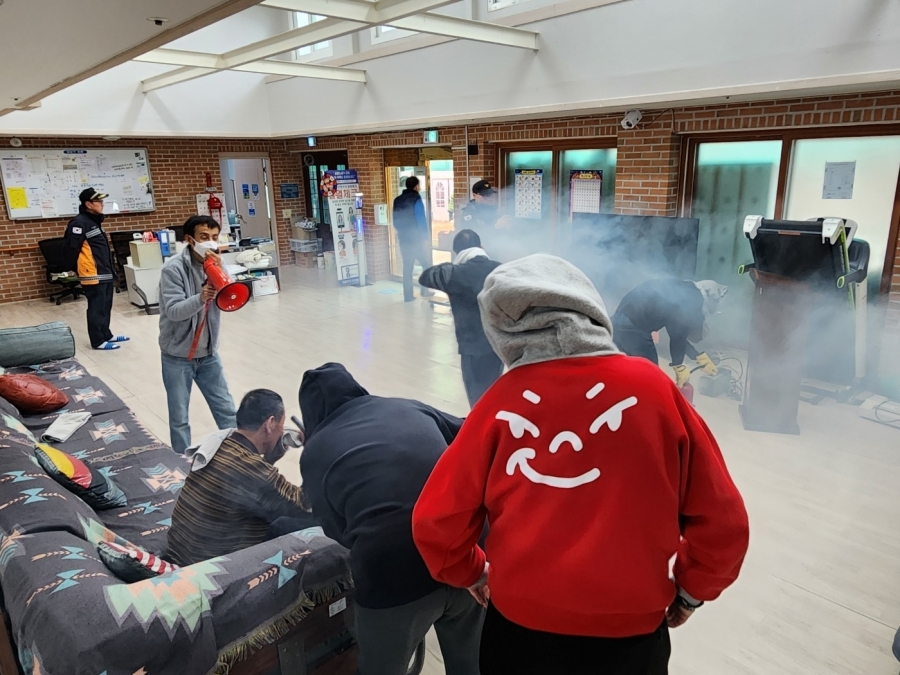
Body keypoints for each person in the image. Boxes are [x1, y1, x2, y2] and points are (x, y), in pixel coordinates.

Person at [412, 254, 750, 675]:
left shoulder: (499, 403)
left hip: (520, 629)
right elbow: (725, 523)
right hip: (631, 634)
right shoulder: (654, 390)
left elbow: (436, 523)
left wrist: (473, 573)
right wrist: (690, 591)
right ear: (592, 310)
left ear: (499, 328)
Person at [298, 363, 483, 675]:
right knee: (470, 665)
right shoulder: (406, 406)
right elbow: (471, 433)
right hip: (468, 552)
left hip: (394, 573)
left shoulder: (315, 450)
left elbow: (334, 530)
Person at [167, 389, 314, 566]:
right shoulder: (256, 471)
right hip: (208, 566)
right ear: (270, 424)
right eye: (281, 426)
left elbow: (252, 486)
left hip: (179, 550)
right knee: (306, 523)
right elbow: (306, 504)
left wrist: (270, 458)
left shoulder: (218, 444)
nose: (282, 432)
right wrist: (312, 450)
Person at [158, 215, 237, 454]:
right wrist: (200, 298)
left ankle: (239, 455)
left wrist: (220, 271)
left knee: (227, 410)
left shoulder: (217, 264)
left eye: (214, 237)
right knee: (179, 417)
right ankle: (182, 462)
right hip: (177, 356)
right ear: (189, 240)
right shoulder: (173, 269)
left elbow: (230, 296)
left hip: (208, 354)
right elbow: (173, 311)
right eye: (204, 237)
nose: (210, 242)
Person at [419, 229, 503, 407]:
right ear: (481, 247)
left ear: (457, 252)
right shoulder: (500, 269)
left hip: (471, 346)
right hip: (498, 344)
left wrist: (453, 264)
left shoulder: (454, 274)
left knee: (477, 400)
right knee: (495, 393)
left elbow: (425, 277)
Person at [611, 278, 728, 388]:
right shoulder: (692, 301)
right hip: (633, 328)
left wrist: (697, 356)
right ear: (712, 300)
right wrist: (679, 365)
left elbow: (677, 333)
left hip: (617, 321)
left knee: (622, 370)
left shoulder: (686, 289)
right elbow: (678, 335)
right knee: (651, 377)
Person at [62, 187, 129, 351]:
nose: (102, 204)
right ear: (88, 204)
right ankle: (97, 340)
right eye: (98, 201)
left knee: (106, 305)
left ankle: (106, 334)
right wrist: (73, 269)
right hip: (91, 273)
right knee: (96, 307)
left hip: (104, 271)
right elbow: (71, 249)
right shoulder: (78, 223)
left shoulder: (94, 222)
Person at [391, 176, 434, 302]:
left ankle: (408, 295)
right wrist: (425, 238)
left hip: (403, 239)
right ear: (416, 186)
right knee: (425, 264)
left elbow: (395, 220)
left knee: (407, 267)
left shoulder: (397, 200)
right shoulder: (416, 199)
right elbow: (421, 219)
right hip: (416, 239)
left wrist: (402, 232)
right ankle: (425, 290)